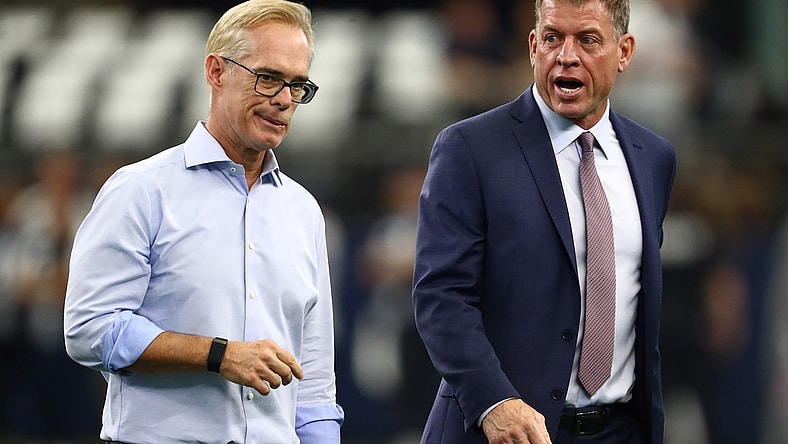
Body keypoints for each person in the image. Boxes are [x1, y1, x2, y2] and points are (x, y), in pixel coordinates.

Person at [63, 1, 344, 443]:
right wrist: (219, 355)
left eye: (297, 85)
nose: (285, 100)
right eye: (268, 78)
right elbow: (89, 329)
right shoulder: (140, 189)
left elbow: (314, 377)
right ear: (216, 72)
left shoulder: (304, 210)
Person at [412, 0, 677, 443]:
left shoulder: (654, 158)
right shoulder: (470, 148)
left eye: (588, 40)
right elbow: (441, 297)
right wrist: (494, 402)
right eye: (553, 37)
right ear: (534, 46)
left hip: (620, 431)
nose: (566, 55)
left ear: (624, 51)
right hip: (501, 431)